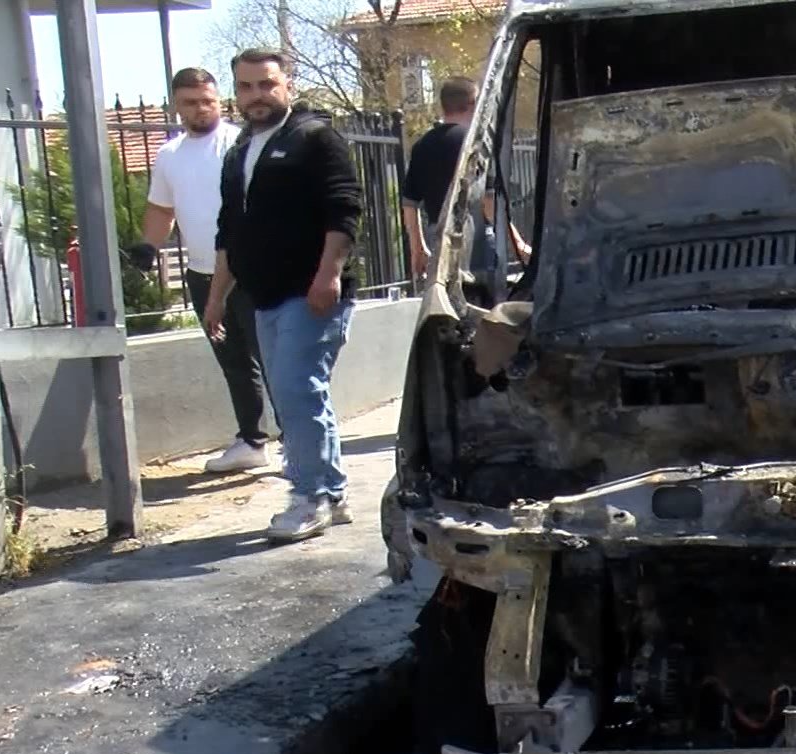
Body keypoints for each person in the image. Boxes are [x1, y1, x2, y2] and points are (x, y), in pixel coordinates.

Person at [205, 48, 363, 543]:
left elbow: (344, 210)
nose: (257, 95)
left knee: (296, 392)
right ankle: (330, 493)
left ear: (287, 85)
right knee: (298, 395)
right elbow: (229, 229)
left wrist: (328, 275)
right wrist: (216, 297)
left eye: (266, 84)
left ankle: (309, 497)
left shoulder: (315, 138)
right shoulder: (240, 151)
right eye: (246, 86)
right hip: (264, 295)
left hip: (310, 292)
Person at [140, 67, 271, 475]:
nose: (200, 109)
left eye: (207, 101)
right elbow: (162, 209)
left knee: (272, 357)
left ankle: (297, 442)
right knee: (233, 361)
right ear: (176, 106)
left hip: (250, 270)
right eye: (190, 102)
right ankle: (251, 441)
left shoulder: (240, 143)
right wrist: (148, 246)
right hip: (201, 273)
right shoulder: (169, 155)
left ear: (219, 100)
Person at [399, 75, 530, 284]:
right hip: (475, 239)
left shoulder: (422, 146)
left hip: (438, 239)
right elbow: (488, 203)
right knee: (482, 298)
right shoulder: (476, 146)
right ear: (474, 105)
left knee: (446, 296)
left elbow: (409, 203)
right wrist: (518, 244)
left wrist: (418, 247)